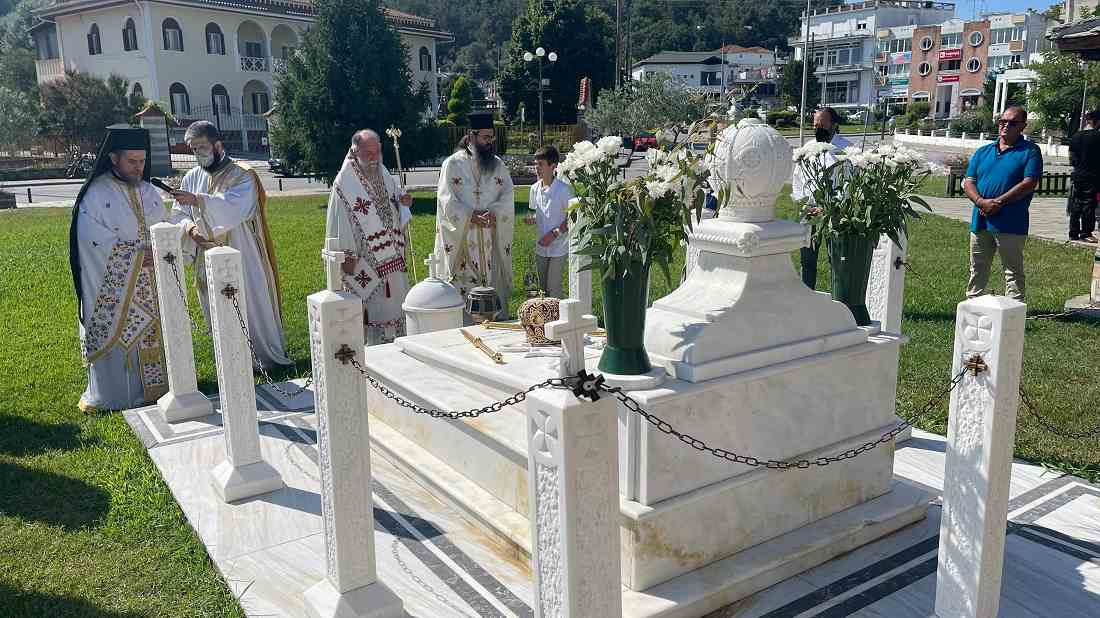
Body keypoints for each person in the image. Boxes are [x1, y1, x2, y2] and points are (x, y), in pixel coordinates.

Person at [169, 121, 291, 369]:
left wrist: (198, 201)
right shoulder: (192, 177)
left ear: (218, 145)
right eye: (192, 149)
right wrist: (190, 229)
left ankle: (261, 358)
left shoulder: (243, 174)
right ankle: (230, 359)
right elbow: (178, 213)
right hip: (206, 254)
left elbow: (236, 208)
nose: (197, 153)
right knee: (214, 303)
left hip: (243, 252)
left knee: (250, 303)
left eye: (202, 147)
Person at [70, 126, 170, 412]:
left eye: (142, 161)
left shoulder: (149, 191)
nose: (139, 168)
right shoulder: (95, 193)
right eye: (132, 162)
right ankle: (118, 396)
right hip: (115, 281)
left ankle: (159, 389)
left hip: (153, 281)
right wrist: (136, 257)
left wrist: (166, 246)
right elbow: (91, 241)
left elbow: (165, 224)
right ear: (114, 158)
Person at [325, 129, 414, 345]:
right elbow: (340, 223)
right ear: (355, 151)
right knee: (371, 312)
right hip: (364, 260)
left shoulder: (382, 171)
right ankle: (373, 352)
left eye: (378, 151)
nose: (374, 158)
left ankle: (398, 346)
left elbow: (394, 201)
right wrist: (348, 257)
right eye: (369, 153)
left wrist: (403, 203)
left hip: (392, 256)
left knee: (396, 307)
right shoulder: (344, 183)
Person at [434, 111, 515, 318]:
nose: (490, 142)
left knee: (491, 284)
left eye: (492, 137)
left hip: (490, 237)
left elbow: (507, 196)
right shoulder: (452, 164)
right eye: (486, 137)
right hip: (463, 238)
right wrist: (470, 215)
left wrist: (494, 212)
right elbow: (446, 200)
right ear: (471, 136)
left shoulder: (498, 165)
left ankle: (493, 322)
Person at [963, 105, 1042, 302]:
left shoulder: (1030, 151)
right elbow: (969, 181)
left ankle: (1014, 310)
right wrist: (981, 202)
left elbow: (1029, 182)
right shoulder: (983, 151)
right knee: (977, 266)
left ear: (1023, 126)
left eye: (1012, 123)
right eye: (1002, 121)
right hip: (980, 220)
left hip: (1011, 222)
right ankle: (973, 304)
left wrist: (997, 202)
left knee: (1012, 270)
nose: (1006, 125)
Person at [791, 107, 851, 290]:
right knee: (807, 259)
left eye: (823, 124)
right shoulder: (807, 148)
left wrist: (830, 207)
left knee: (838, 259)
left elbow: (850, 183)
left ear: (834, 125)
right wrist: (804, 203)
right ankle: (806, 296)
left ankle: (838, 299)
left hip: (836, 212)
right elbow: (798, 177)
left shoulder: (847, 149)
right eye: (815, 125)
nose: (818, 128)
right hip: (810, 211)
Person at [523, 145, 573, 298]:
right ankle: (545, 318)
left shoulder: (564, 190)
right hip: (541, 246)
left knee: (553, 287)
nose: (537, 168)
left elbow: (572, 217)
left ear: (553, 166)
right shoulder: (534, 189)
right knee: (542, 287)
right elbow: (536, 213)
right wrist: (531, 219)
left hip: (559, 246)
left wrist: (554, 233)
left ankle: (559, 319)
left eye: (541, 164)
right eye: (535, 164)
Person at [1068, 110, 1100, 243]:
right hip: (1092, 175)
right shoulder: (1098, 137)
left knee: (1076, 203)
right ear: (1097, 122)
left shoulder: (1076, 136)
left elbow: (1071, 157)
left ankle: (1073, 232)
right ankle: (1086, 232)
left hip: (1077, 174)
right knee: (1089, 204)